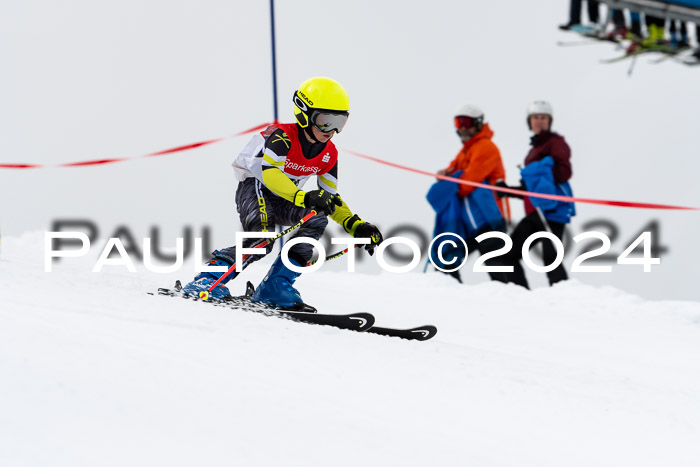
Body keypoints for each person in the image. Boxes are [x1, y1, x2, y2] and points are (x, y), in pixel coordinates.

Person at [182, 76, 383, 309]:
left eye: (340, 121)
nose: (332, 130)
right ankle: (207, 280)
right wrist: (305, 197)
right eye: (325, 121)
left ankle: (276, 285)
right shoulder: (282, 136)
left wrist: (355, 225)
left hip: (287, 195)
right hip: (255, 186)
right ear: (305, 114)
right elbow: (270, 174)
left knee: (318, 216)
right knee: (261, 239)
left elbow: (330, 199)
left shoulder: (330, 154)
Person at [428, 104, 511, 283]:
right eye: (459, 123)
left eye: (466, 122)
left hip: (491, 218)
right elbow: (452, 169)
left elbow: (467, 184)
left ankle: (509, 301)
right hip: (472, 221)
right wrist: (446, 175)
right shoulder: (466, 150)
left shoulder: (485, 147)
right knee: (448, 257)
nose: (463, 127)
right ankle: (453, 296)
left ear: (479, 123)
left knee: (492, 260)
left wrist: (451, 180)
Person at [498, 100, 575, 289]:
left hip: (553, 209)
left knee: (550, 256)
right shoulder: (532, 152)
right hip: (534, 212)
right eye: (535, 118)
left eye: (543, 118)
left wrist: (540, 172)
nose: (539, 121)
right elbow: (529, 190)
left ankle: (565, 295)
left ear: (549, 121)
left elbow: (565, 172)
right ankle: (521, 296)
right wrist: (507, 190)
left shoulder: (556, 143)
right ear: (529, 122)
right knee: (508, 255)